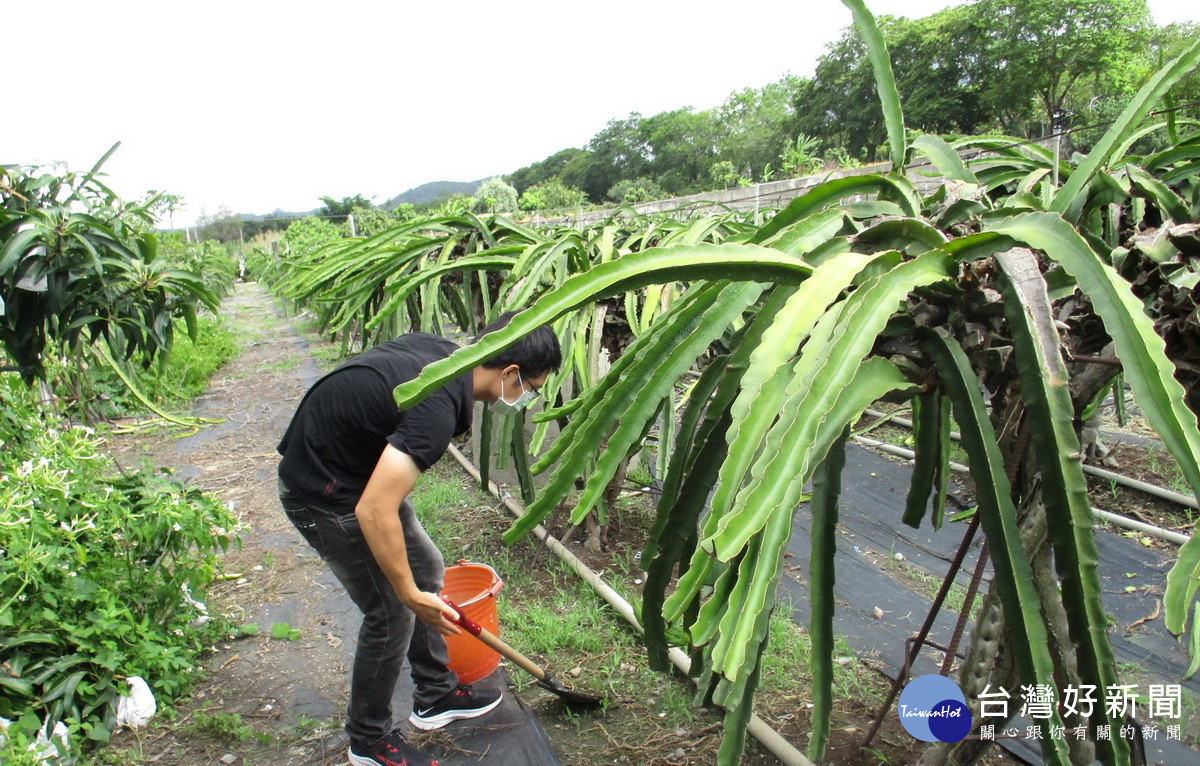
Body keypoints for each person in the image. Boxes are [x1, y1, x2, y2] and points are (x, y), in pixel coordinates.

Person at [277, 311, 562, 766]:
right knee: (391, 610)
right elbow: (374, 509)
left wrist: (416, 583)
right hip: (324, 493)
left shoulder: (447, 356)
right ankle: (367, 739)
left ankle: (435, 694)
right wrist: (407, 593)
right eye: (531, 388)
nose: (527, 398)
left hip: (357, 470)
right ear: (509, 373)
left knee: (427, 567)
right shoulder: (438, 405)